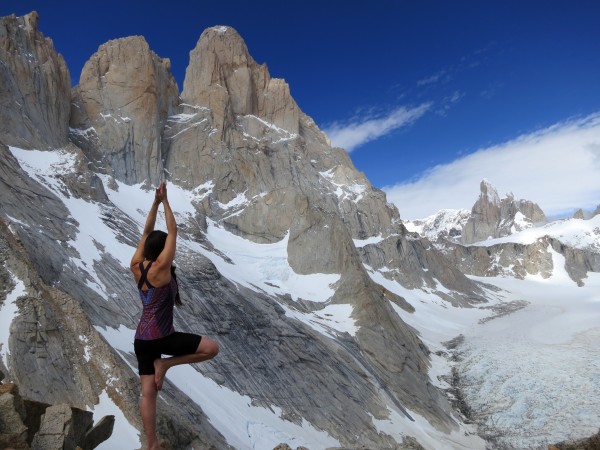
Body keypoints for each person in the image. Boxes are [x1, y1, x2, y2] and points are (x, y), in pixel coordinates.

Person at [130, 181, 219, 450]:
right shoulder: (161, 268)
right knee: (211, 348)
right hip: (163, 339)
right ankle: (166, 365)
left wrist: (154, 204)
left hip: (141, 341)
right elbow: (173, 231)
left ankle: (152, 445)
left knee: (148, 393)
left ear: (147, 249)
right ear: (162, 251)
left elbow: (147, 231)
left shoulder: (136, 266)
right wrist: (165, 201)